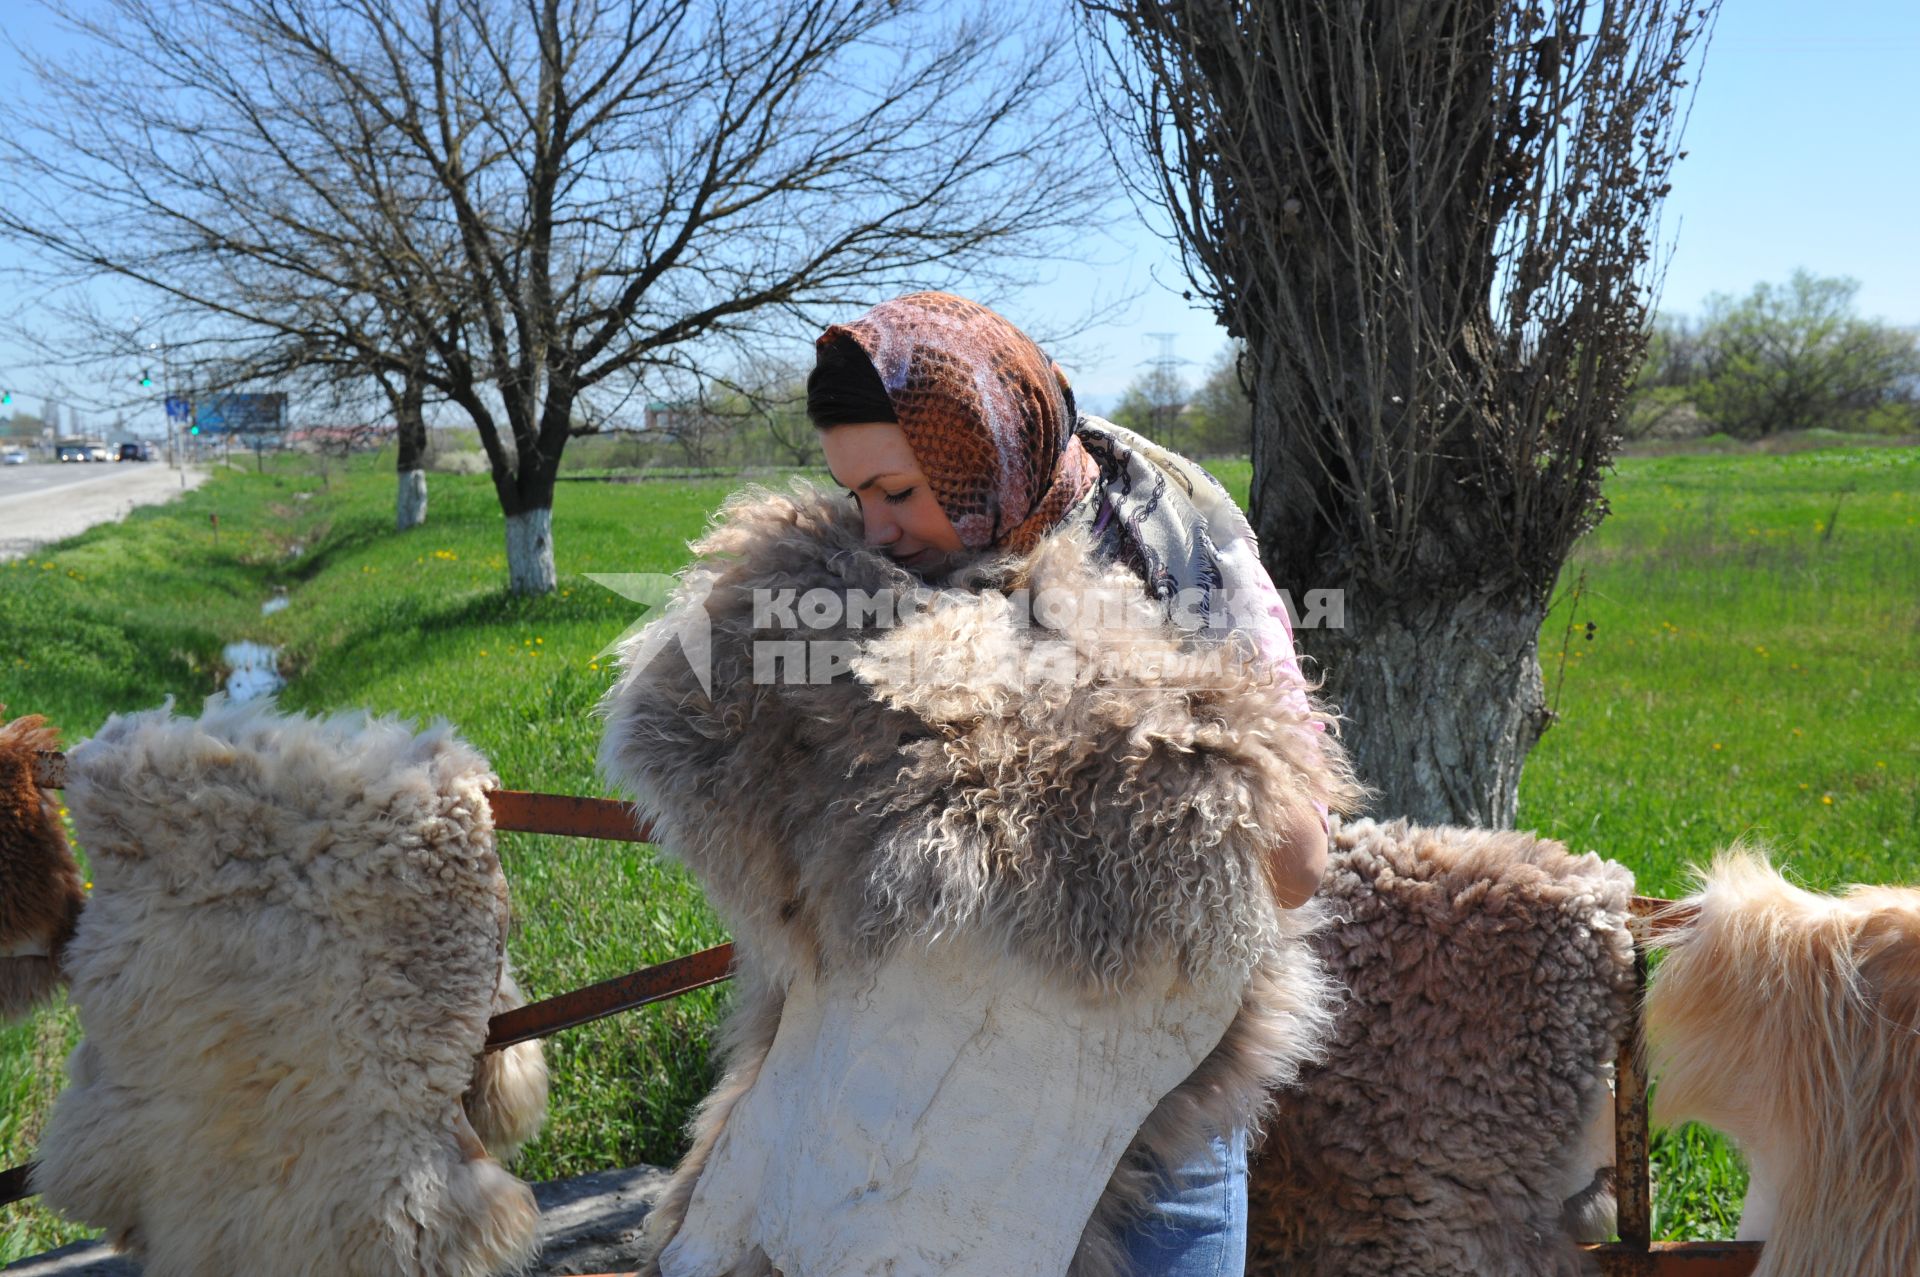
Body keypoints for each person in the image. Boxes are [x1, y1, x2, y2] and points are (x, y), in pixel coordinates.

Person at [598, 290, 1361, 1277]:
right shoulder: (862, 573)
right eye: (856, 495)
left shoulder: (1185, 548)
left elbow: (1295, 860)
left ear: (980, 445)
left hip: (1147, 1106)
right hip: (927, 1117)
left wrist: (1063, 708)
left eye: (900, 491)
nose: (879, 531)